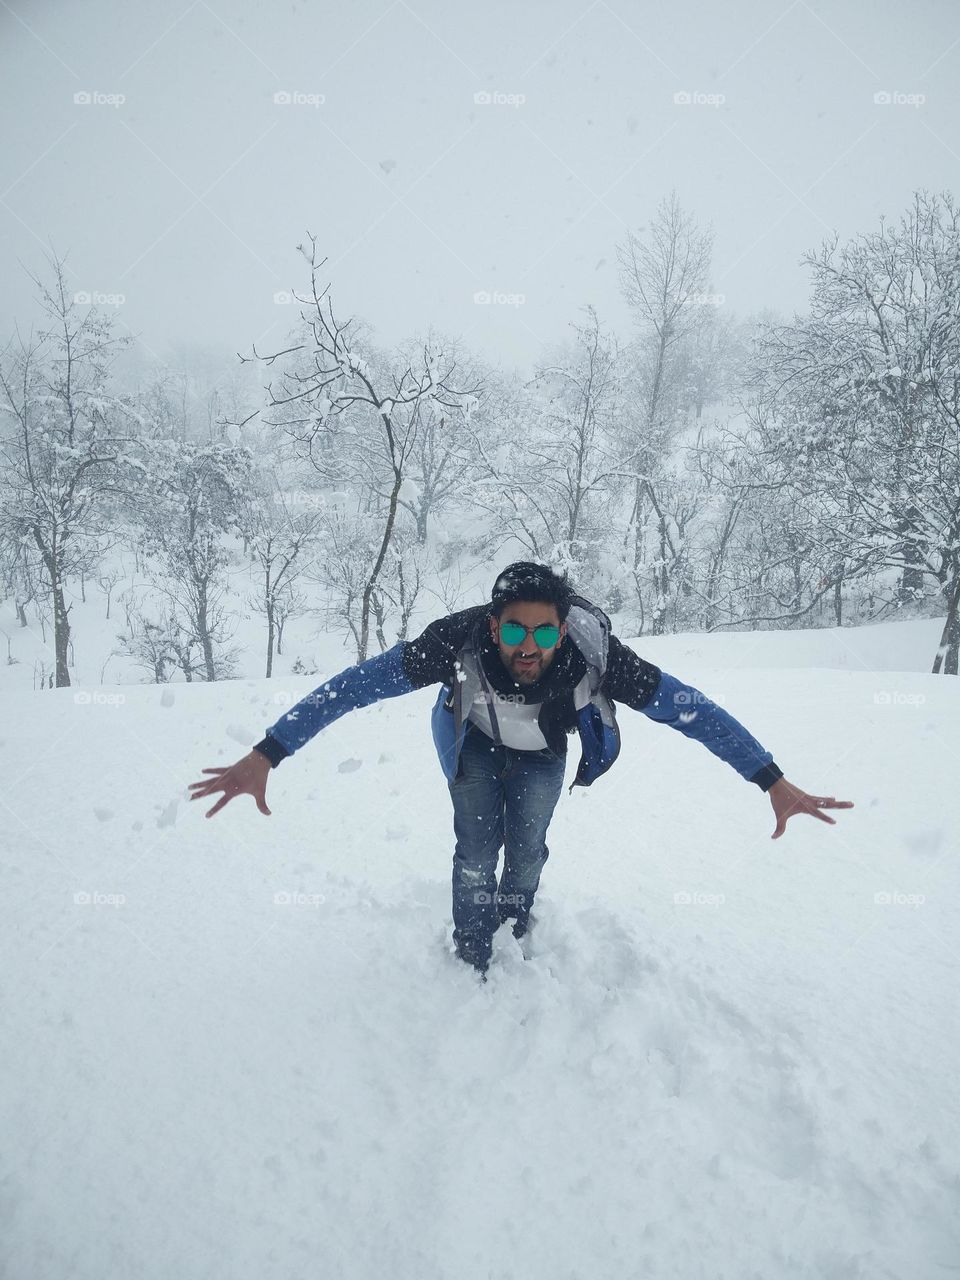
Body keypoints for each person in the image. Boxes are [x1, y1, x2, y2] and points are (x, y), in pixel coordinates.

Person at [189, 562, 853, 975]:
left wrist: (771, 778)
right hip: (470, 739)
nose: (527, 646)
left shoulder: (600, 659)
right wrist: (267, 752)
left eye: (542, 631)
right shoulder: (454, 639)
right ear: (493, 624)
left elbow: (694, 711)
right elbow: (355, 686)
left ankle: (514, 922)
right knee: (477, 846)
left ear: (562, 629)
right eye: (514, 630)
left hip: (542, 749)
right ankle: (474, 946)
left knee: (527, 850)